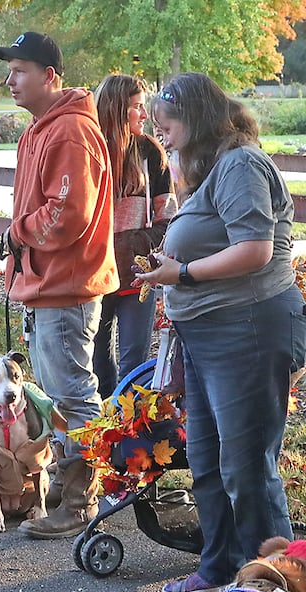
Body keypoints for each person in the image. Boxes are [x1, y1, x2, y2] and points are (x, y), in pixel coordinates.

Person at [134, 73, 306, 592]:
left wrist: (181, 275)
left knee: (247, 463)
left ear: (196, 117)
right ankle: (219, 569)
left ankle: (276, 584)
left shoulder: (242, 165)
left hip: (247, 329)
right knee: (208, 458)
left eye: (165, 124)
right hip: (208, 333)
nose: (159, 133)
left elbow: (253, 250)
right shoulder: (210, 168)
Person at [0, 31, 117, 538]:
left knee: (74, 395)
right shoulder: (40, 129)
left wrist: (16, 232)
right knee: (58, 398)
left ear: (50, 76)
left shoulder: (68, 132)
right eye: (9, 69)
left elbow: (68, 215)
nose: (11, 80)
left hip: (67, 285)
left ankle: (83, 498)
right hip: (46, 285)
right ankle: (69, 481)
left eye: (20, 70)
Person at [92, 74, 175, 397]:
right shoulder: (90, 151)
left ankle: (126, 433)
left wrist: (132, 246)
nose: (144, 115)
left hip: (138, 273)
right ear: (115, 110)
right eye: (136, 107)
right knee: (96, 359)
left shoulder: (149, 153)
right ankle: (100, 432)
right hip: (94, 273)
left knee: (133, 363)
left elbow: (167, 218)